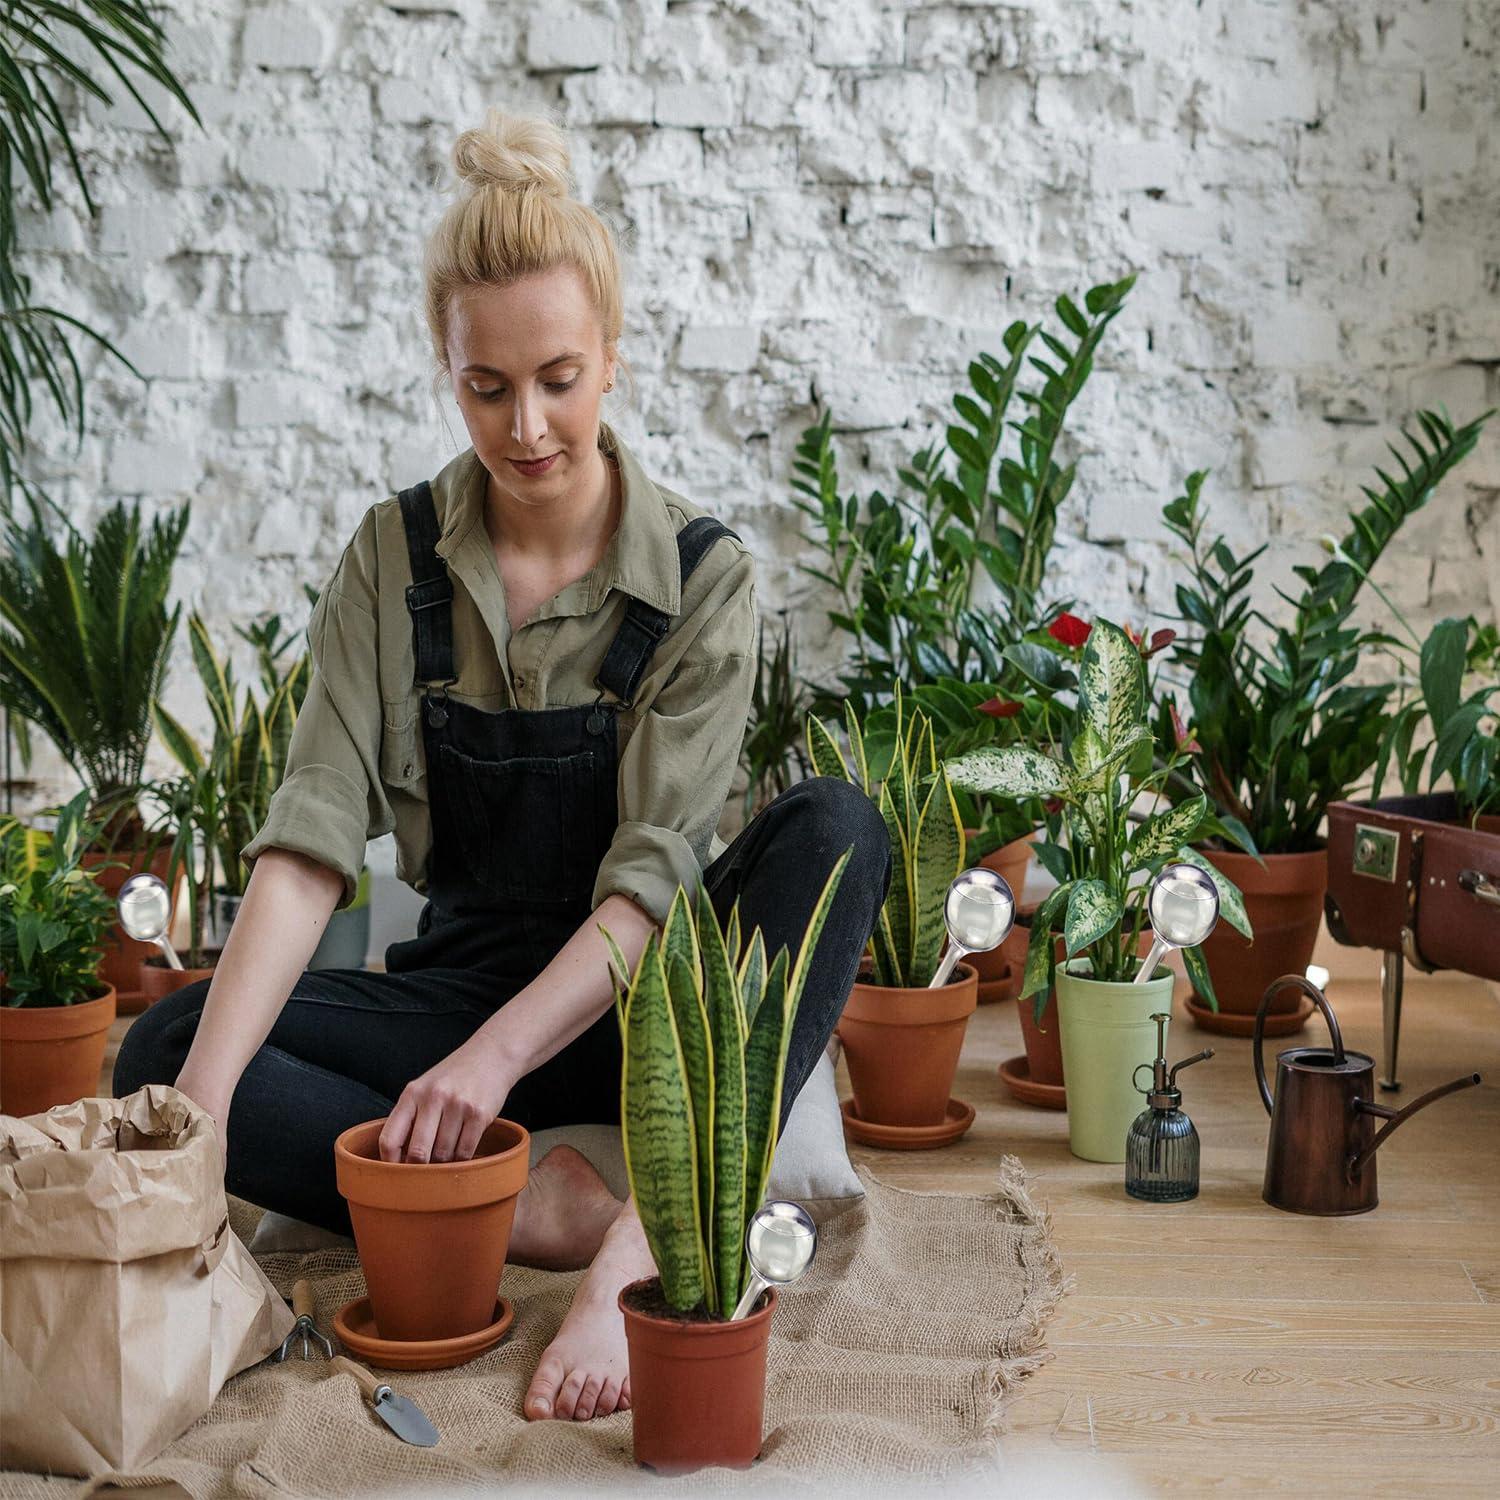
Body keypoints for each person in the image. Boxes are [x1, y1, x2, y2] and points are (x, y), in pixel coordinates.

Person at [114, 107, 891, 1425]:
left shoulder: (704, 582)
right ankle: (542, 1210)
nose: (528, 425)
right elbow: (307, 851)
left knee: (840, 825)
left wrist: (486, 1068)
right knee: (170, 1045)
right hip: (462, 987)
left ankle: (649, 1239)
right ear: (447, 366)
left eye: (559, 378)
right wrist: (196, 1128)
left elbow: (649, 892)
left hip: (649, 1006)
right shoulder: (390, 560)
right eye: (488, 387)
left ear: (612, 360)